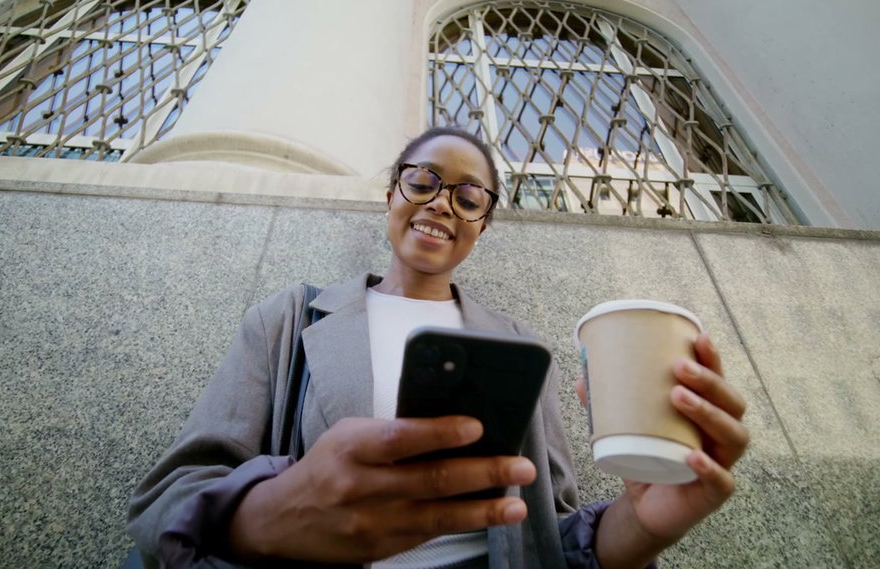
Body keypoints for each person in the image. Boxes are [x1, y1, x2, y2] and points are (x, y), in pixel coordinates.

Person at [126, 127, 749, 569]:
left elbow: (551, 537)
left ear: (482, 224)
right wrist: (264, 514)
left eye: (468, 197)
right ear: (392, 195)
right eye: (422, 181)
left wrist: (639, 525)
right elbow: (165, 502)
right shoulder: (289, 318)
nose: (441, 204)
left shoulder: (517, 348)